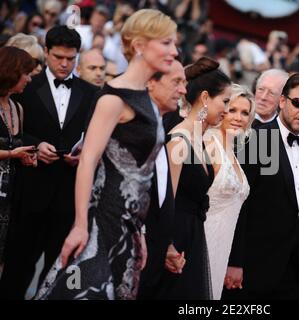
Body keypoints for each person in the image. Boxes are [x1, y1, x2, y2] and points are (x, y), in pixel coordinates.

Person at [32, 9, 179, 300]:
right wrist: (80, 225)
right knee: (79, 292)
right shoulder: (113, 98)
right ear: (139, 45)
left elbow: (144, 174)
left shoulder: (148, 101)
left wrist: (140, 231)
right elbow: (88, 159)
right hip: (100, 224)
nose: (173, 50)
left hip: (129, 228)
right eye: (166, 42)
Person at [0, 25, 98, 300]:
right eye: (58, 57)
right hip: (29, 193)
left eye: (71, 58)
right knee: (17, 269)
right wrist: (35, 144)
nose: (65, 64)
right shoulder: (25, 85)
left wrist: (81, 154)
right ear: (45, 53)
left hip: (69, 197)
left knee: (59, 273)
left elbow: (94, 137)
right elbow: (11, 131)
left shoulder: (92, 93)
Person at [225, 72, 299, 299]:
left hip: (294, 269)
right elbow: (240, 205)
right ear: (282, 101)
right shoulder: (256, 139)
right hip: (252, 264)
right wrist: (234, 261)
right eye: (298, 102)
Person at [160, 56, 231, 299]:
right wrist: (168, 245)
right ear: (204, 98)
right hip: (174, 242)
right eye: (225, 101)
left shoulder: (199, 141)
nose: (227, 109)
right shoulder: (178, 140)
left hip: (191, 237)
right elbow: (164, 199)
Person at [138, 59, 188, 299]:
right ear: (150, 84)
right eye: (176, 82)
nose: (183, 90)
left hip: (156, 248)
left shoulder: (160, 125)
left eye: (184, 83)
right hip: (128, 244)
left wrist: (165, 243)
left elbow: (162, 193)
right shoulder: (132, 123)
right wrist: (140, 233)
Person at [204, 84, 255, 300]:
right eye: (233, 110)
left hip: (222, 247)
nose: (238, 118)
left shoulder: (232, 153)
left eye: (245, 113)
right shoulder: (207, 142)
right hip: (202, 240)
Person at [0, 47, 38, 271]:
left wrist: (25, 157)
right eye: (26, 73)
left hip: (11, 198)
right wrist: (10, 154)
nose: (30, 79)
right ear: (11, 71)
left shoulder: (17, 108)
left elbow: (17, 146)